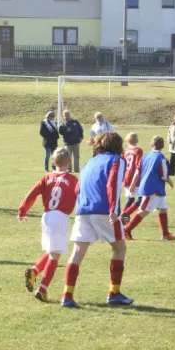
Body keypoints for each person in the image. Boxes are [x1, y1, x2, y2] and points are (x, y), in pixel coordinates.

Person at [62, 132, 134, 308]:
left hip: (83, 210)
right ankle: (114, 293)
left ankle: (67, 296)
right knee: (119, 247)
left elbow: (78, 188)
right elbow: (113, 184)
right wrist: (113, 210)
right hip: (103, 210)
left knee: (77, 251)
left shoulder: (89, 162)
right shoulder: (117, 160)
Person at [18, 148, 78, 303]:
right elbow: (82, 195)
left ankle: (35, 271)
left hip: (47, 216)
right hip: (60, 217)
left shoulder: (46, 177)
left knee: (52, 250)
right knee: (55, 255)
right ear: (70, 162)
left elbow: (32, 193)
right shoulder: (73, 180)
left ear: (53, 162)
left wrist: (23, 210)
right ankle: (43, 289)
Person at [123, 135, 175, 241]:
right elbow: (164, 175)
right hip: (153, 189)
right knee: (143, 211)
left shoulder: (146, 156)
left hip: (152, 188)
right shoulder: (161, 158)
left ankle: (165, 234)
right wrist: (171, 183)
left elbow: (137, 172)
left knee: (163, 209)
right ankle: (126, 230)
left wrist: (133, 185)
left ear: (151, 145)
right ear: (162, 146)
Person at [119, 132, 143, 224]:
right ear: (137, 140)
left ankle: (123, 217)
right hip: (135, 178)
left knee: (130, 199)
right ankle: (125, 215)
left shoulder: (125, 151)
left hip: (126, 177)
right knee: (141, 199)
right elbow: (138, 166)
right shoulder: (138, 150)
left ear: (127, 141)